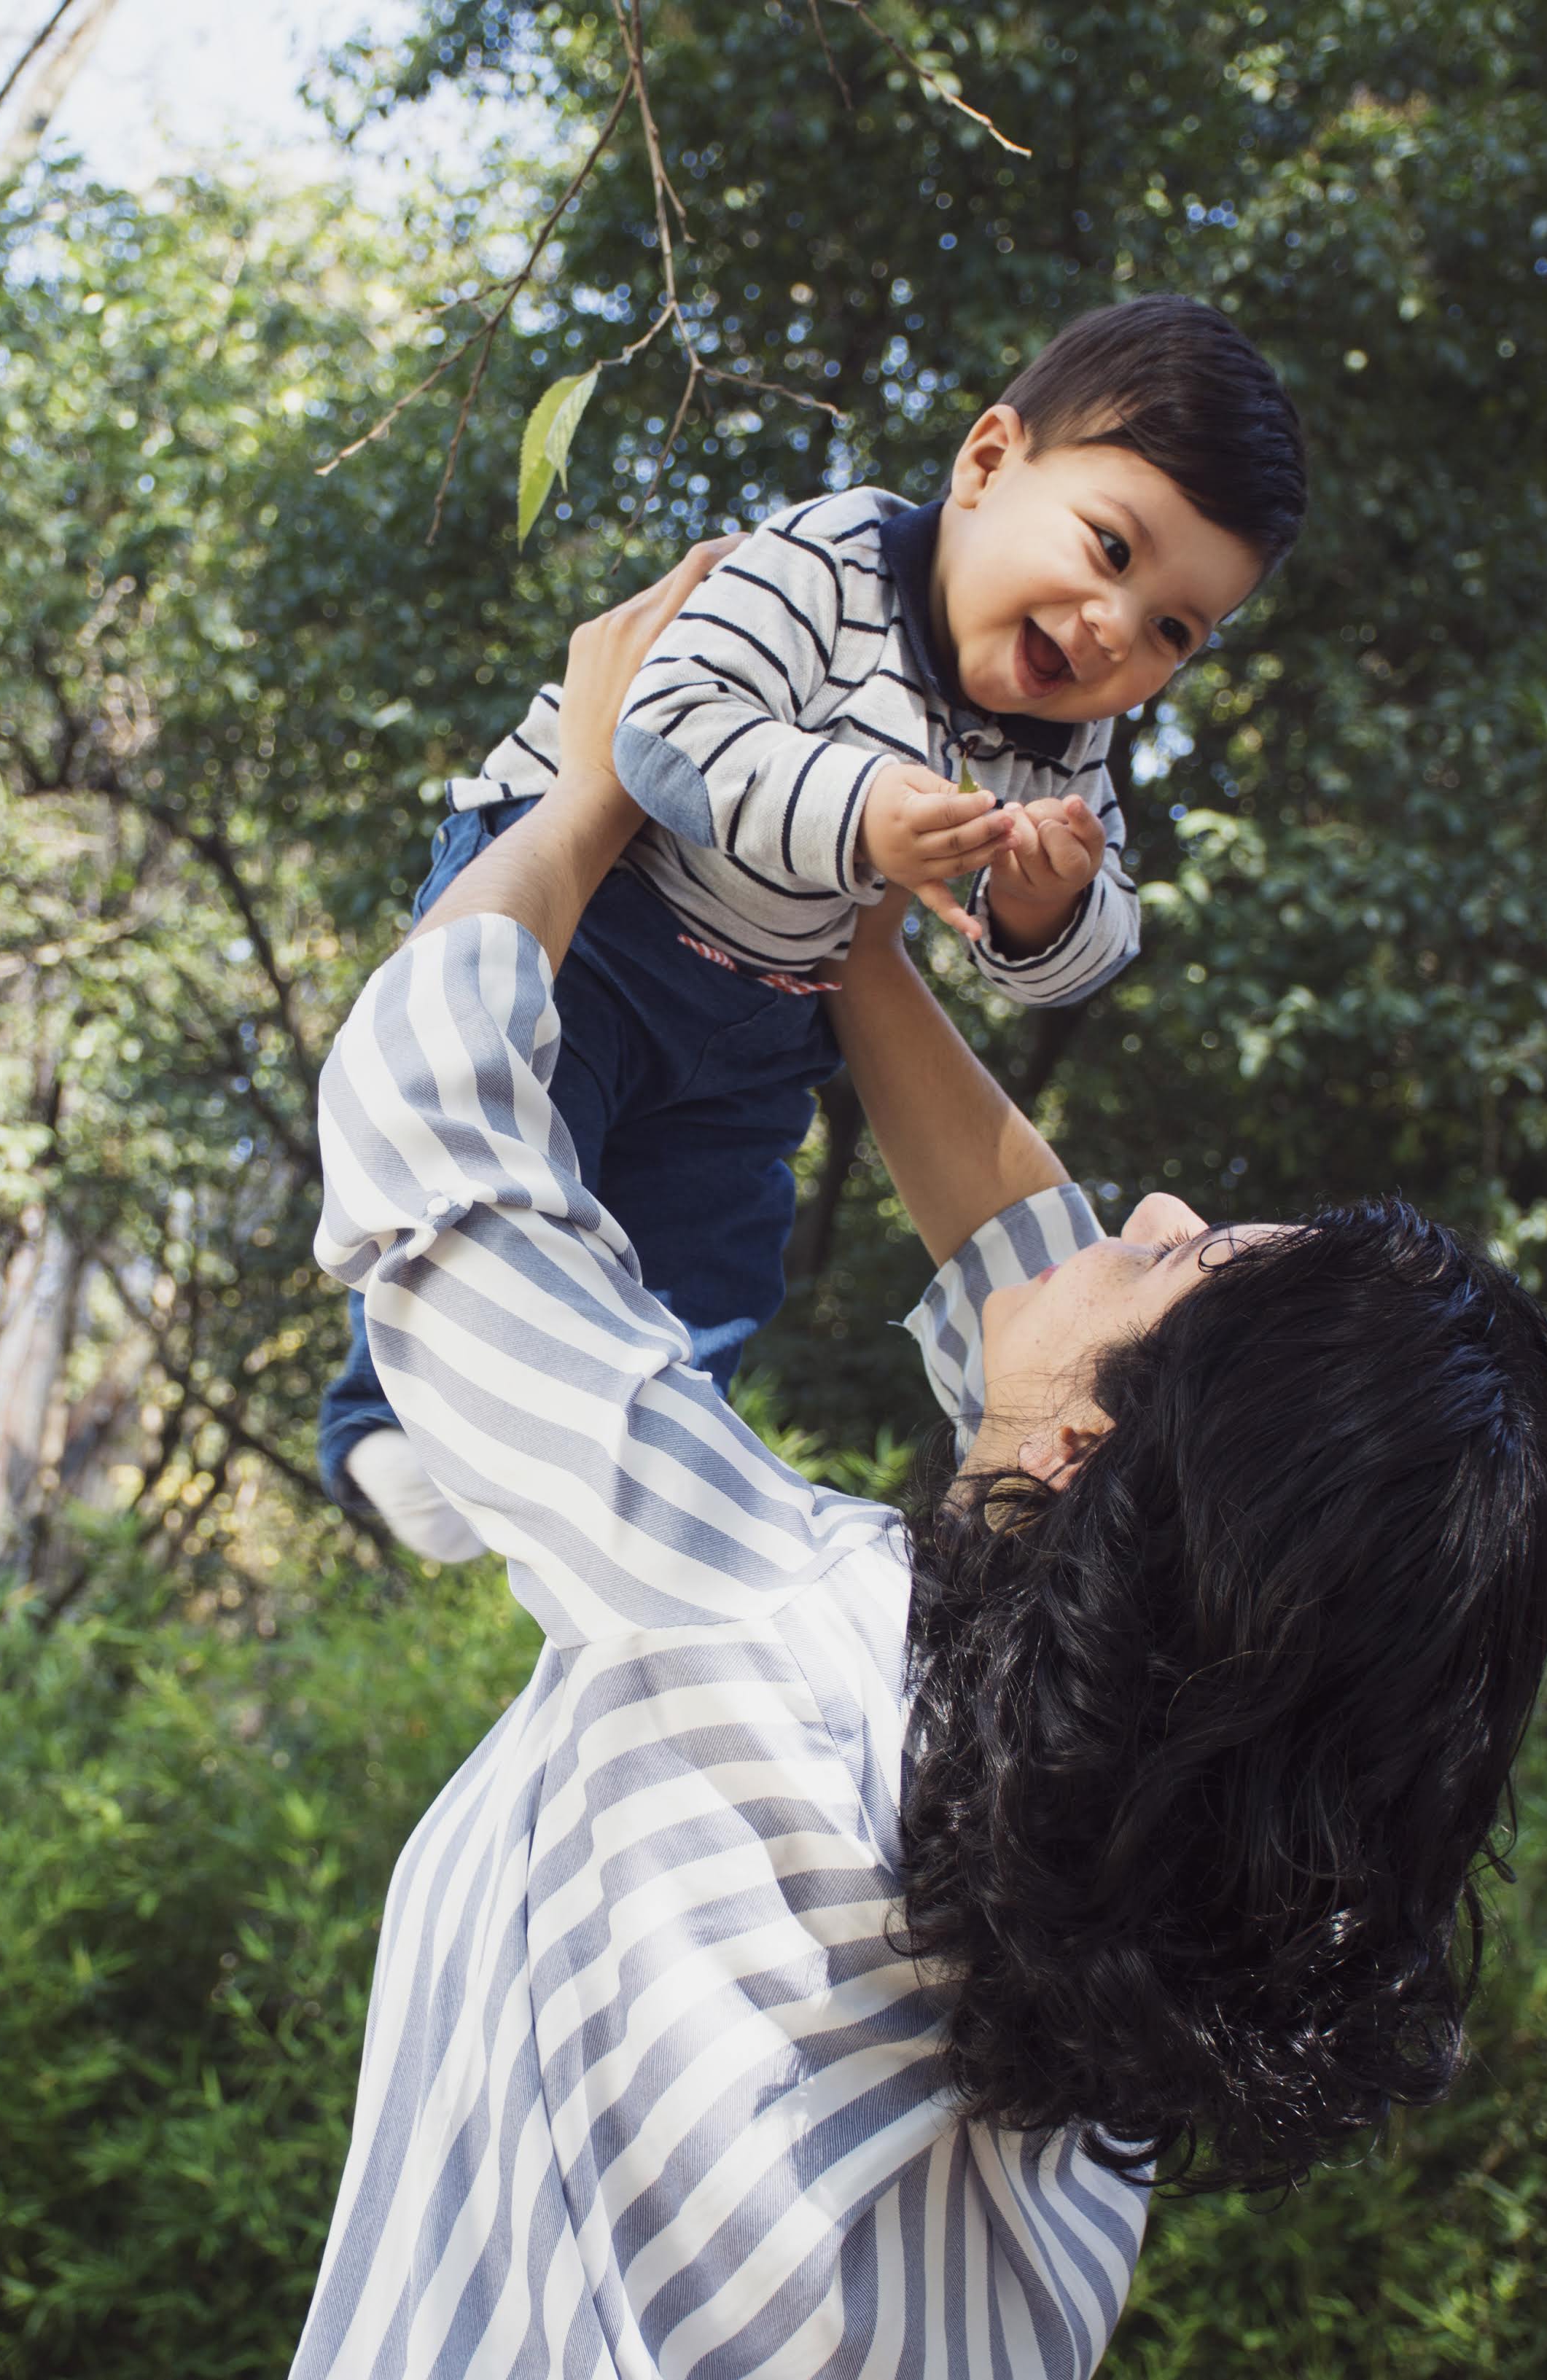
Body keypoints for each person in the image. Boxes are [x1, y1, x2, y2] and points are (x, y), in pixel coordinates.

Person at [291, 545, 1547, 2377]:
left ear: (1113, 1448)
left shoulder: (749, 1626)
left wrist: (589, 788)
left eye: (1191, 1254)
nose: (1151, 1203)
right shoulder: (1105, 2015)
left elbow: (437, 1156)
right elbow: (1051, 1312)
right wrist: (859, 932)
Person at [324, 295, 1309, 1558]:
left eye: (1174, 629)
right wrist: (861, 816)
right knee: (513, 1123)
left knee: (720, 1253)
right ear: (988, 463)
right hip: (607, 917)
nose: (1119, 629)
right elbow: (663, 729)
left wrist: (1044, 903)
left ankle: (647, 1469)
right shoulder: (831, 562)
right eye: (1111, 551)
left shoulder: (1067, 745)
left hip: (762, 1010)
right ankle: (385, 1418)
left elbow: (1082, 959)